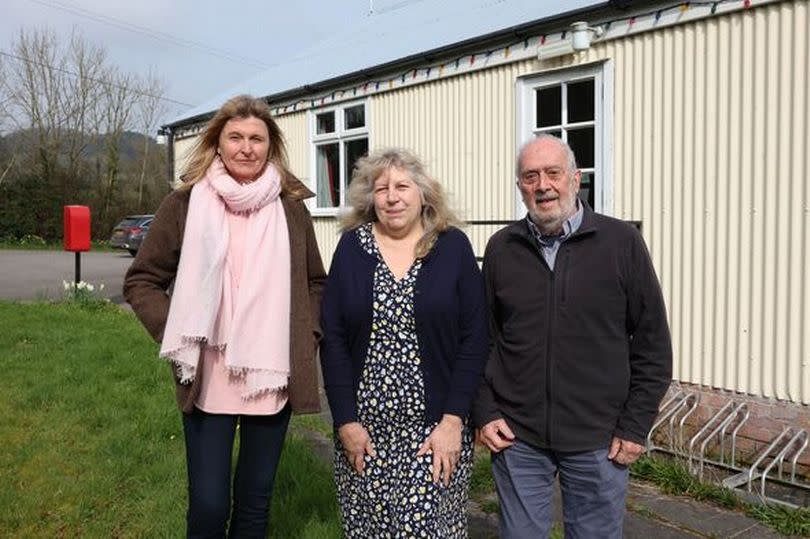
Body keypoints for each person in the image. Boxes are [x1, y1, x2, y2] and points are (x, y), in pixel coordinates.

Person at [123, 94, 325, 538]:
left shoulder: (291, 210)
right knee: (210, 508)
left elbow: (316, 281)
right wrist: (176, 331)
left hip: (270, 377)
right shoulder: (185, 204)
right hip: (208, 379)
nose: (246, 147)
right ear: (218, 143)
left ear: (270, 147)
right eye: (235, 137)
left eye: (257, 138)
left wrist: (303, 336)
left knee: (255, 505)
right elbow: (142, 281)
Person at [472, 135, 672, 538]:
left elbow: (653, 346)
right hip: (518, 438)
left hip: (599, 439)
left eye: (553, 173)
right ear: (520, 187)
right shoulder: (501, 248)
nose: (542, 185)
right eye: (530, 176)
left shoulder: (621, 243)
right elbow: (480, 340)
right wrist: (485, 410)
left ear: (575, 179)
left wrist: (635, 426)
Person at [320, 148, 488, 537]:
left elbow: (474, 338)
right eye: (381, 189)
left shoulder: (453, 247)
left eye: (402, 186)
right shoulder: (351, 249)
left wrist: (453, 420)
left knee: (425, 527)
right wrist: (345, 421)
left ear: (423, 193)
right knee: (370, 530)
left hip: (434, 429)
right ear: (370, 198)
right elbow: (334, 340)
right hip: (365, 431)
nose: (392, 197)